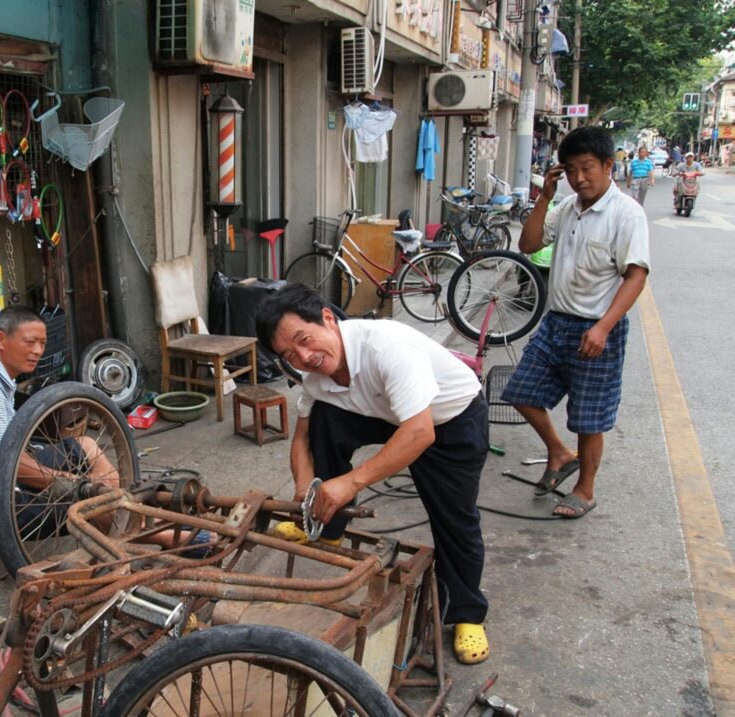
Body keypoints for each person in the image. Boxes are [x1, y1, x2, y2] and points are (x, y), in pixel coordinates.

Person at [255, 284, 492, 665]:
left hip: (451, 422)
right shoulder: (313, 376)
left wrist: (350, 482)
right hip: (390, 413)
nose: (305, 357)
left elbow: (420, 432)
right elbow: (301, 441)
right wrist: (305, 486)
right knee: (323, 420)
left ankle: (467, 613)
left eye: (305, 339)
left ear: (328, 319)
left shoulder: (386, 348)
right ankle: (327, 524)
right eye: (289, 354)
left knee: (454, 518)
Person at [502, 125, 650, 519]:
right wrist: (544, 198)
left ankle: (585, 489)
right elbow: (529, 245)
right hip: (556, 323)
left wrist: (602, 328)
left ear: (607, 166)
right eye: (570, 170)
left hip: (597, 328)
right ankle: (557, 451)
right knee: (520, 391)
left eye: (586, 168)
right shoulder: (566, 207)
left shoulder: (626, 214)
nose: (579, 178)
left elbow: (636, 275)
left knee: (589, 417)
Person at [0, 306, 118, 545]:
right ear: (0, 339)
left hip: (1, 482)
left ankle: (123, 514)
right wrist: (74, 483)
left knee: (87, 447)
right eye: (30, 342)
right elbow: (4, 459)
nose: (38, 351)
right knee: (91, 503)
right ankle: (152, 535)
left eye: (42, 343)